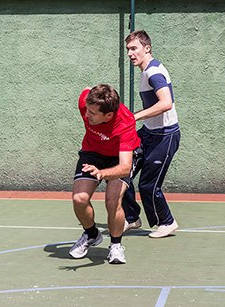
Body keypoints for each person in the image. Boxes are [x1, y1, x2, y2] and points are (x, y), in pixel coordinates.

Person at [69, 84, 140, 264]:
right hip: (92, 153)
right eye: (88, 111)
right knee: (79, 199)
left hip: (119, 157)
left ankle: (116, 245)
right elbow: (86, 89)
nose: (87, 115)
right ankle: (92, 234)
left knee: (113, 199)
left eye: (93, 114)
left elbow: (125, 167)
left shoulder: (126, 122)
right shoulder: (86, 103)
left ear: (108, 115)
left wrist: (101, 173)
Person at [122, 30, 180, 238]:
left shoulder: (153, 72)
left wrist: (134, 117)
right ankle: (131, 218)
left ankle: (167, 222)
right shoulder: (146, 71)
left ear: (147, 48)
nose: (130, 53)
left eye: (134, 48)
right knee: (122, 172)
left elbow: (166, 103)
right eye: (128, 49)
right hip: (148, 133)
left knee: (148, 184)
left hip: (165, 136)